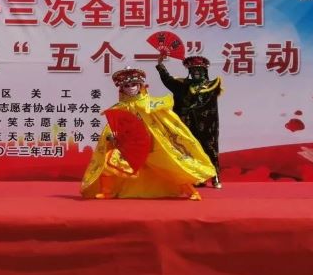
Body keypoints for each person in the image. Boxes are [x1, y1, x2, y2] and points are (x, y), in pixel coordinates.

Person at [81, 67, 216, 200]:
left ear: (140, 86)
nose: (130, 88)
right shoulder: (120, 108)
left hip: (154, 144)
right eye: (127, 85)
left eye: (134, 84)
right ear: (121, 88)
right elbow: (114, 126)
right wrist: (112, 136)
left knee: (171, 166)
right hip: (131, 147)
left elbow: (167, 122)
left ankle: (192, 192)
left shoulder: (151, 104)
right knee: (109, 161)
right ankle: (107, 192)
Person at [156, 54, 223, 188]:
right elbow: (168, 80)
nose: (196, 72)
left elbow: (206, 102)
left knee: (209, 149)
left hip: (207, 125)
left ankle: (215, 176)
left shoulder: (212, 85)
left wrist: (190, 107)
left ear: (204, 71)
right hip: (187, 124)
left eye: (199, 70)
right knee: (191, 150)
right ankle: (198, 177)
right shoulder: (183, 85)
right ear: (190, 72)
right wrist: (160, 64)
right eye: (193, 70)